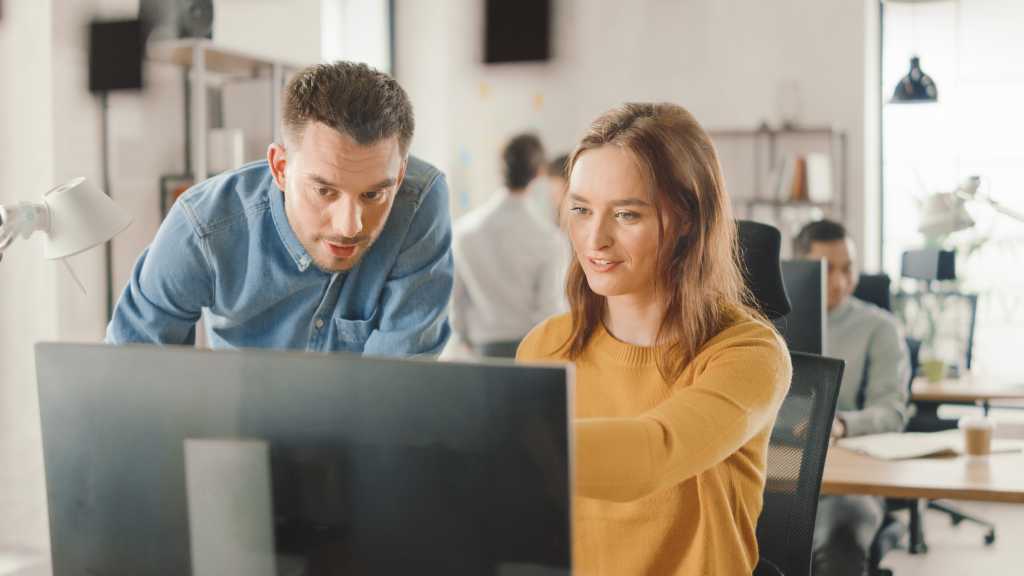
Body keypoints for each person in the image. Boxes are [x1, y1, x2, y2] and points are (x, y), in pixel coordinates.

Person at [517, 103, 791, 574]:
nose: (594, 239)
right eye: (580, 209)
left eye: (626, 215)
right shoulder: (545, 347)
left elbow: (652, 453)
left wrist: (494, 441)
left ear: (687, 219)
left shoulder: (749, 355)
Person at [106, 61, 453, 355]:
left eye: (373, 195)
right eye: (324, 191)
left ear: (400, 174)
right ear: (280, 168)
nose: (350, 227)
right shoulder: (203, 228)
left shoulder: (419, 202)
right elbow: (129, 372)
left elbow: (397, 388)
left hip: (369, 430)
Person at [794, 219, 910, 576]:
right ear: (799, 269)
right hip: (779, 470)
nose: (841, 282)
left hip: (849, 478)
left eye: (848, 268)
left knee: (838, 537)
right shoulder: (764, 325)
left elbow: (891, 410)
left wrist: (842, 424)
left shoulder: (879, 327)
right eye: (828, 270)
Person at [451, 133, 564, 358]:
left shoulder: (465, 231)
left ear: (501, 168)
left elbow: (457, 301)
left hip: (480, 351)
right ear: (539, 172)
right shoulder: (548, 238)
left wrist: (462, 336)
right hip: (529, 350)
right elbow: (549, 309)